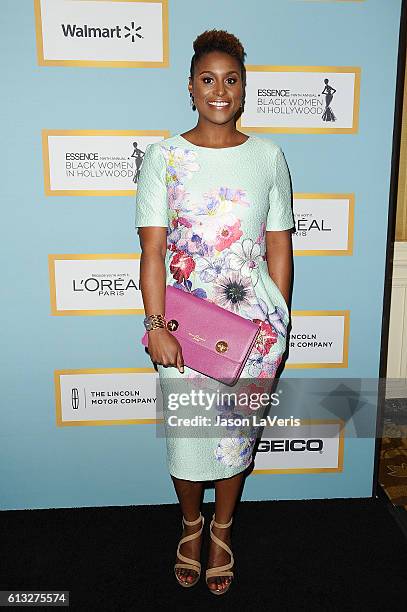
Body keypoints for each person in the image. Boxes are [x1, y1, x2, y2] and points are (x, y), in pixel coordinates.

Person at [134, 30, 294, 595]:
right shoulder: (163, 158)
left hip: (254, 329)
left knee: (234, 440)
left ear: (244, 87)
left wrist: (277, 326)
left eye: (231, 79)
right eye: (208, 79)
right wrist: (155, 326)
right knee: (187, 438)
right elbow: (152, 250)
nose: (220, 90)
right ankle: (191, 524)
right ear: (191, 87)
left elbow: (279, 247)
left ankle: (222, 529)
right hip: (182, 327)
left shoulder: (269, 157)